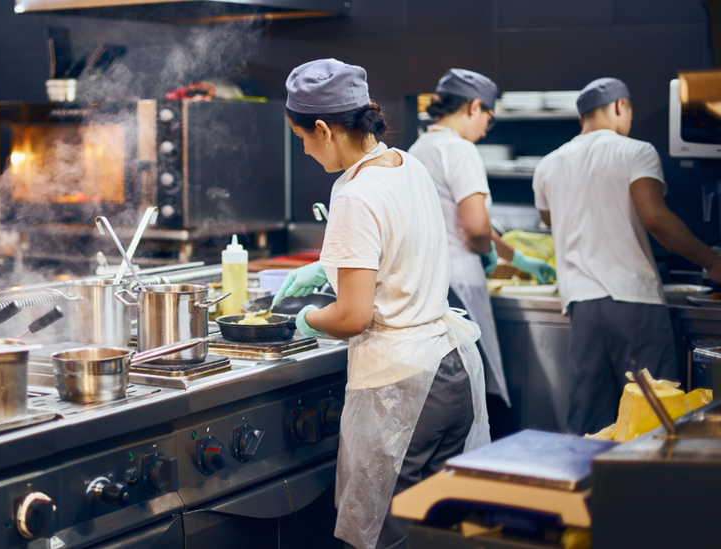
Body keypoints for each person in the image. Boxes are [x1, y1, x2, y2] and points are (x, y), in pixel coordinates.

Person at [273, 58, 490, 549]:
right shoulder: (405, 163)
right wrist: (329, 270)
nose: (304, 150)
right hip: (450, 368)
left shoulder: (354, 192)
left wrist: (302, 320)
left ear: (324, 129)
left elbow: (352, 317)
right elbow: (398, 254)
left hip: (404, 391)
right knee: (437, 534)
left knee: (384, 537)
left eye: (301, 137)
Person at [532, 77, 721, 435]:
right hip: (634, 302)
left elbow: (549, 219)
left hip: (583, 306)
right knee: (655, 416)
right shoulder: (635, 151)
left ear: (581, 118)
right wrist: (711, 262)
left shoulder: (548, 165)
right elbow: (655, 218)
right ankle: (649, 490)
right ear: (620, 107)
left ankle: (587, 489)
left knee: (590, 422)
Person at [408, 69, 556, 412]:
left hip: (426, 280)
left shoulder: (418, 148)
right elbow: (475, 229)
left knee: (441, 384)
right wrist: (488, 254)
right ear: (474, 107)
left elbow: (464, 221)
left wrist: (514, 257)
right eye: (488, 116)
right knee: (474, 381)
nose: (486, 128)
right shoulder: (460, 151)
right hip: (459, 281)